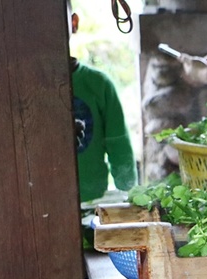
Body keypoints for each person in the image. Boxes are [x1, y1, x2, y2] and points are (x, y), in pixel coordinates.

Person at [68, 1, 137, 204]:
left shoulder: (99, 85)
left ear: (74, 23)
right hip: (37, 204)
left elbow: (119, 145)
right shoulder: (18, 90)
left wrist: (131, 197)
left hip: (91, 200)